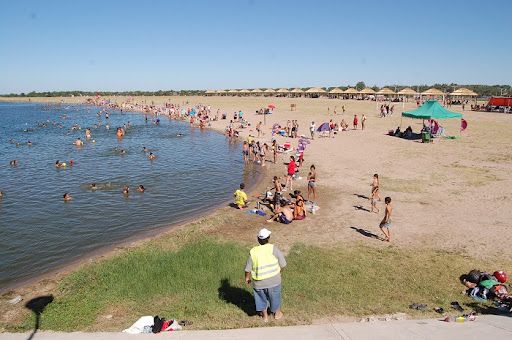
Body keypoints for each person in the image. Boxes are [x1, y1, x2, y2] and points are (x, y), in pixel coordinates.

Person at [245, 228, 286, 323]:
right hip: (274, 281)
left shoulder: (253, 251)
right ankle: (277, 314)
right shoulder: (273, 248)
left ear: (258, 239)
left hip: (259, 283)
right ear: (269, 238)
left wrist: (247, 278)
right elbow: (283, 264)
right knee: (275, 296)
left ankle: (265, 316)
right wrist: (279, 272)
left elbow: (247, 269)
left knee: (260, 298)